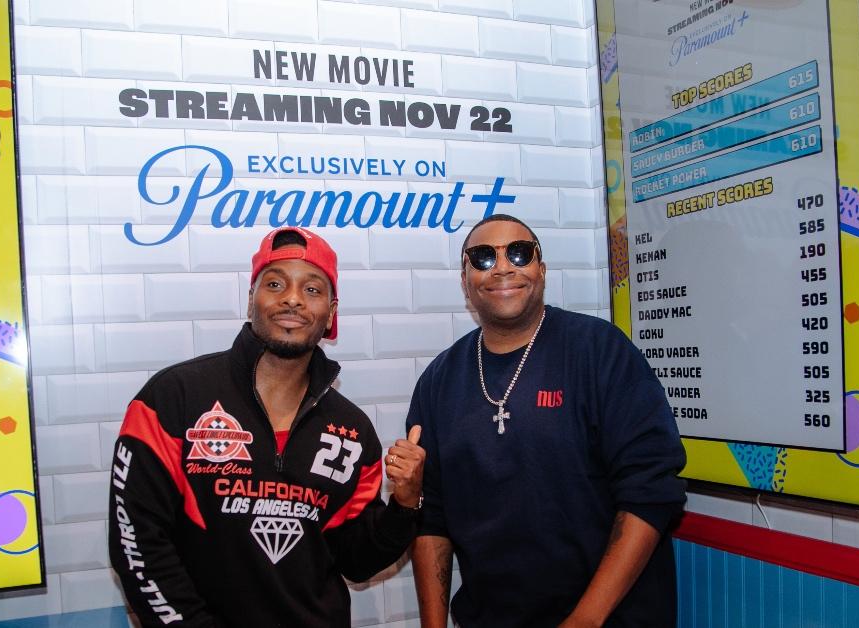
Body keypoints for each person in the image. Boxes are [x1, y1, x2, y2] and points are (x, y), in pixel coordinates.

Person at [109, 226, 425, 627]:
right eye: (275, 283)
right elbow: (136, 545)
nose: (292, 299)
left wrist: (404, 504)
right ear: (250, 300)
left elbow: (358, 562)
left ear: (331, 313)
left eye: (312, 289)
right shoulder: (173, 399)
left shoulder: (351, 430)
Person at [407, 214, 687, 627]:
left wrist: (584, 621)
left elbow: (651, 492)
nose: (503, 267)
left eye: (519, 253)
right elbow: (431, 517)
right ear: (464, 281)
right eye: (483, 258)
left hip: (612, 619)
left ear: (542, 268)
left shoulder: (600, 351)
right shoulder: (438, 381)